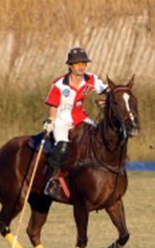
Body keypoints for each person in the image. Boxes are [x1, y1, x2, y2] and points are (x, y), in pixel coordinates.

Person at [42, 47, 109, 201]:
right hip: (62, 120)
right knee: (63, 145)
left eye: (83, 63)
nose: (81, 66)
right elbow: (53, 105)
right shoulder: (59, 84)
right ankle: (50, 181)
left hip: (80, 118)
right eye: (77, 63)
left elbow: (109, 90)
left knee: (101, 137)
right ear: (70, 65)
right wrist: (51, 120)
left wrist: (107, 99)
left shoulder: (90, 79)